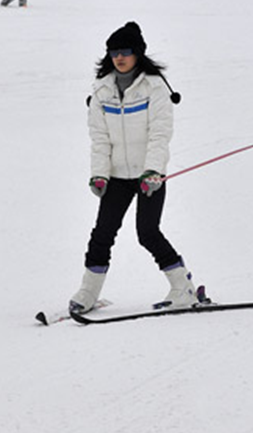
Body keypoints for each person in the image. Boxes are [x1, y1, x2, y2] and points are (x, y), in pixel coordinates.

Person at [69, 22, 199, 314]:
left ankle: (183, 287)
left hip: (148, 175)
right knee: (102, 234)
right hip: (116, 177)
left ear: (137, 53)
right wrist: (99, 174)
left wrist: (153, 171)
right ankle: (88, 291)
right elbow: (100, 139)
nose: (119, 57)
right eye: (114, 52)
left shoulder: (154, 88)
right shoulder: (101, 91)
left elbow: (159, 134)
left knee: (148, 232)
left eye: (125, 51)